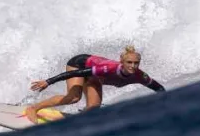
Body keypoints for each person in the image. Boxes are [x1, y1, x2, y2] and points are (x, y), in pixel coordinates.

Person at [25, 46, 165, 123]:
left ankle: (78, 123)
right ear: (121, 61)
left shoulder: (140, 76)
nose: (133, 66)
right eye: (129, 62)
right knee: (74, 98)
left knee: (93, 108)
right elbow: (76, 74)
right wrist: (48, 81)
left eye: (136, 63)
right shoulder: (108, 68)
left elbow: (159, 89)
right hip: (78, 65)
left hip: (95, 77)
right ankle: (33, 108)